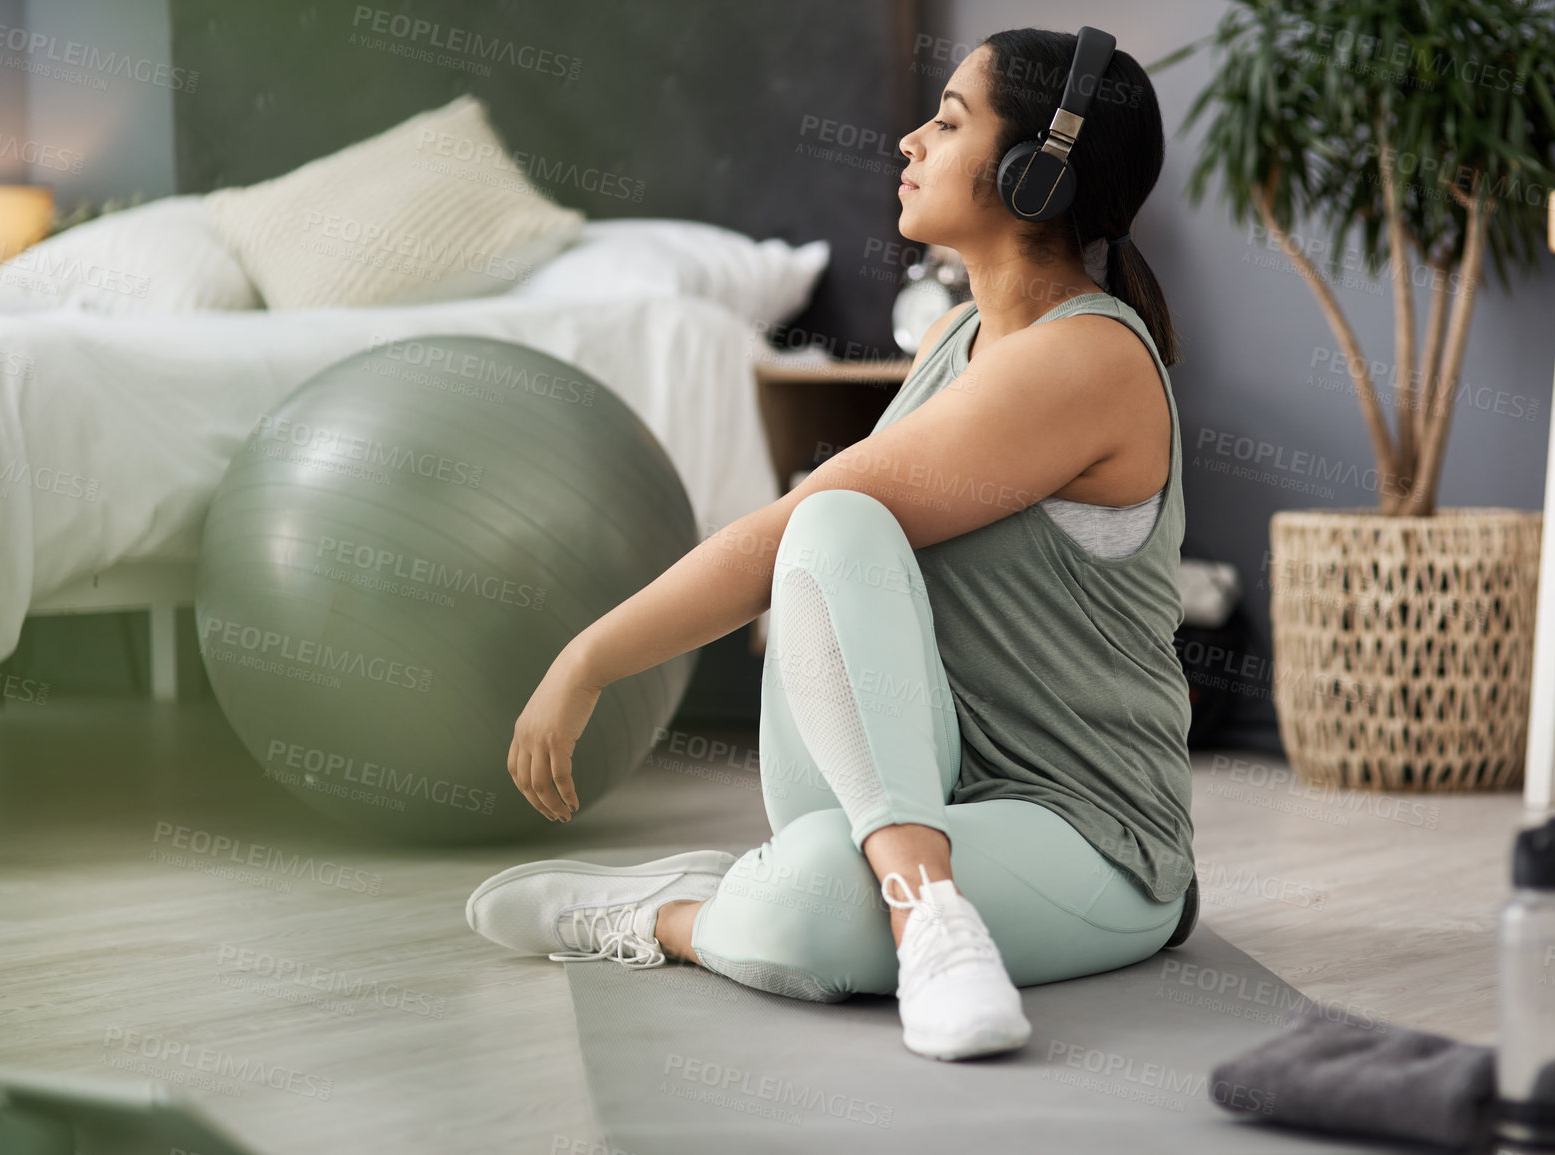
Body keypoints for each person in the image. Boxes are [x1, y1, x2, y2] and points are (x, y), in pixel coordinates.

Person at [465, 27, 1198, 1062]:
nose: (908, 141)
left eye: (947, 122)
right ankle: (921, 904)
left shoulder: (1088, 356)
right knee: (837, 519)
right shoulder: (956, 341)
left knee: (811, 901)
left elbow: (777, 532)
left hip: (1090, 836)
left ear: (1036, 172)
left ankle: (688, 915)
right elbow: (817, 537)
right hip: (922, 782)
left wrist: (588, 658)